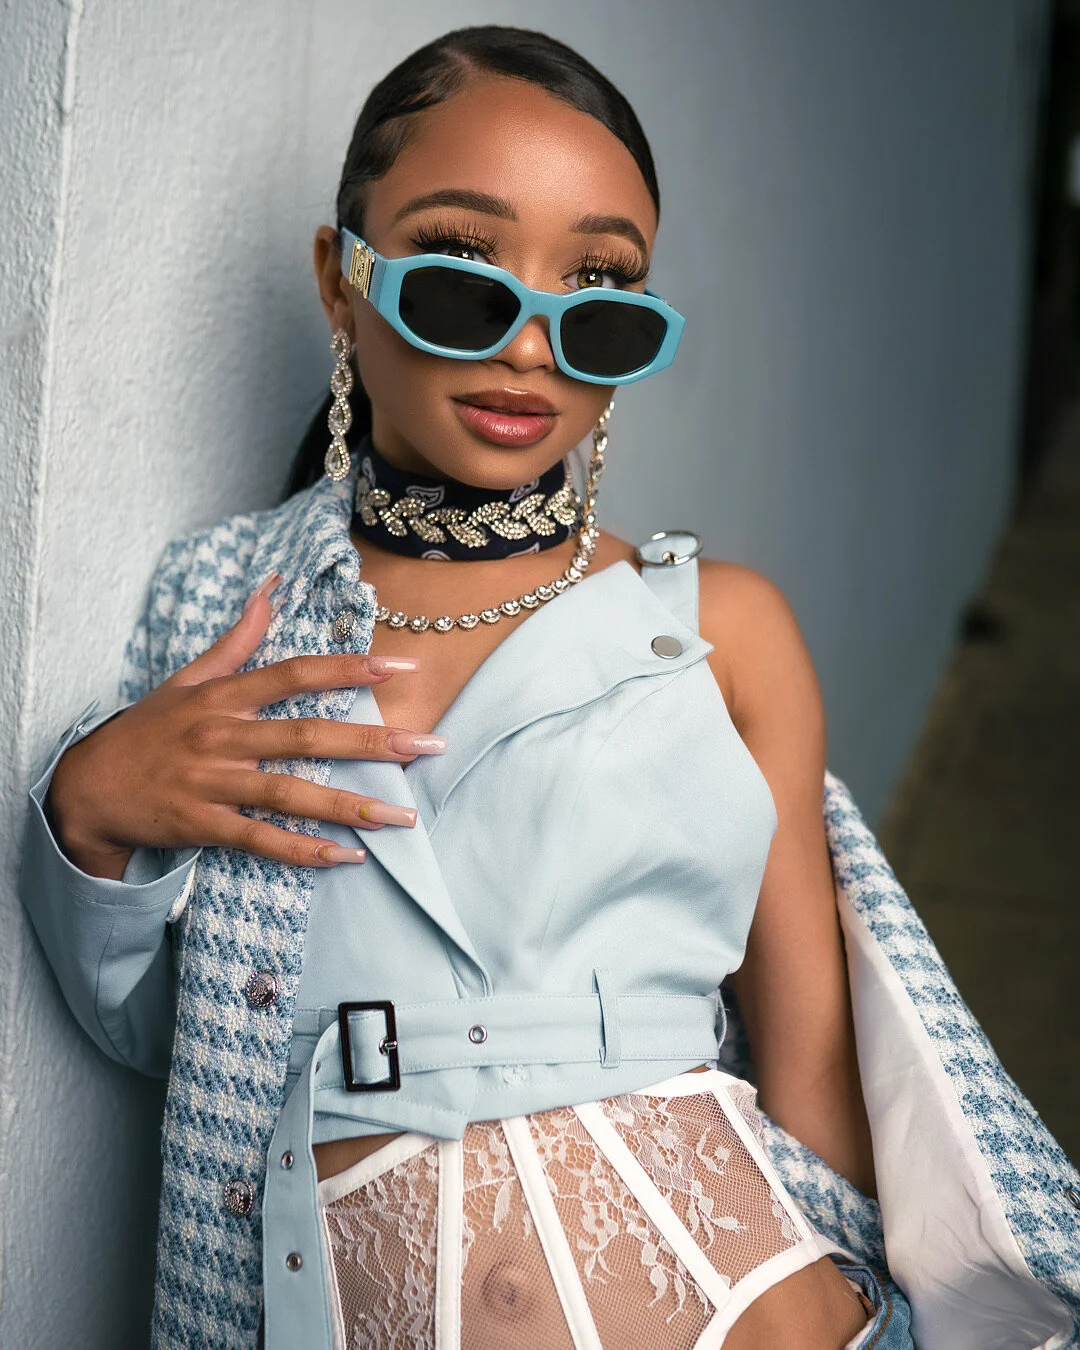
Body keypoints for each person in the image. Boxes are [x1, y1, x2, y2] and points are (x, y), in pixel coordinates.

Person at [18, 25, 1080, 1350]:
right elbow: (178, 1045)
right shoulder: (223, 604)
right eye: (463, 277)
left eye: (599, 296)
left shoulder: (719, 627)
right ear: (341, 287)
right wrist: (90, 812)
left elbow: (812, 1066)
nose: (532, 346)